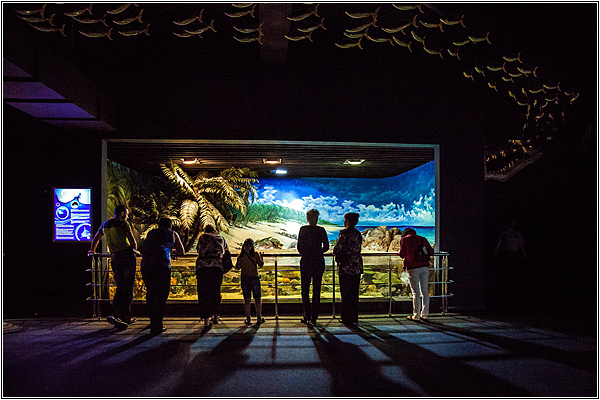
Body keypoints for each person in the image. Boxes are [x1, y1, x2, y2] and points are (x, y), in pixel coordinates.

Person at [89, 205, 140, 330]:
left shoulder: (106, 225)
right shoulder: (124, 224)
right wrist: (135, 250)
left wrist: (92, 251)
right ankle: (126, 316)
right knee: (128, 287)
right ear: (122, 213)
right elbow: (132, 241)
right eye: (126, 214)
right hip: (127, 256)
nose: (127, 216)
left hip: (115, 258)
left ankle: (115, 314)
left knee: (120, 286)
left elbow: (96, 238)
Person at [140, 217, 185, 334]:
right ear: (170, 226)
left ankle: (152, 320)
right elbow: (182, 251)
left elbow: (150, 247)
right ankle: (157, 324)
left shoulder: (151, 233)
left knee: (151, 292)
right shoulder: (173, 234)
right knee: (161, 295)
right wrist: (171, 252)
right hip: (162, 265)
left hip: (146, 265)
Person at [297, 209, 329, 327]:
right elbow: (326, 247)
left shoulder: (303, 230)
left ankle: (307, 315)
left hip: (305, 262)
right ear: (317, 218)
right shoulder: (321, 230)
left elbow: (299, 247)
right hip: (318, 262)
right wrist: (317, 252)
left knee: (305, 290)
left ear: (307, 218)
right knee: (316, 290)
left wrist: (306, 253)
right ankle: (314, 317)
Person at [195, 224, 228, 330]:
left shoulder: (202, 237)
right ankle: (216, 316)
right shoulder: (221, 238)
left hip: (203, 268)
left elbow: (198, 250)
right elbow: (224, 251)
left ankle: (206, 320)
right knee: (215, 292)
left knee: (204, 293)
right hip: (217, 268)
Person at [333, 212, 363, 326]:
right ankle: (354, 318)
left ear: (348, 221)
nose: (343, 222)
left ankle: (346, 318)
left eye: (344, 220)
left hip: (345, 267)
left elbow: (338, 249)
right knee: (354, 294)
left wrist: (335, 252)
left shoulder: (344, 233)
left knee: (345, 293)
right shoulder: (358, 234)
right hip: (356, 266)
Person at [398, 227, 434, 321]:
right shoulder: (422, 239)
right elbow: (431, 252)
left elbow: (402, 254)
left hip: (412, 268)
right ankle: (425, 314)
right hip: (424, 267)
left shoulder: (405, 240)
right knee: (425, 291)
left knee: (415, 292)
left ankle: (416, 315)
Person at [235, 238, 265, 325]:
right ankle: (259, 316)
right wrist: (262, 258)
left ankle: (248, 318)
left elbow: (238, 267)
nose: (248, 247)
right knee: (257, 299)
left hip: (245, 278)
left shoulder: (240, 256)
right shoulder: (255, 254)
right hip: (254, 278)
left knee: (247, 299)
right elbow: (260, 265)